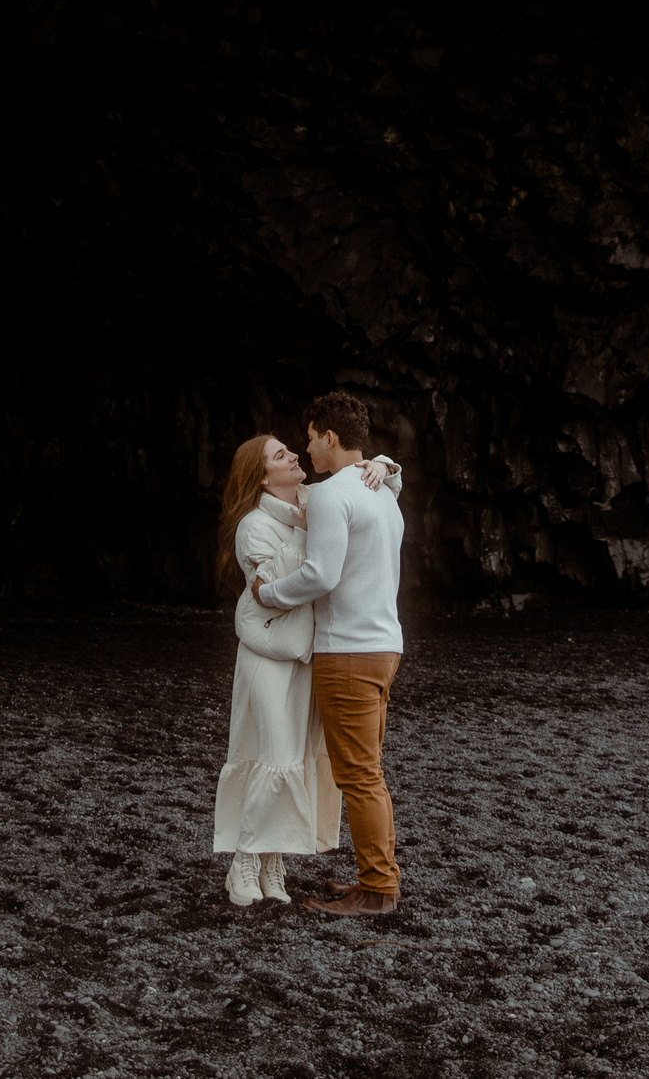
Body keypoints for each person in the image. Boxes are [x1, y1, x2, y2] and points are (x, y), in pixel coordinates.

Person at [212, 434, 399, 907]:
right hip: (268, 656)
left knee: (291, 760)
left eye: (292, 449)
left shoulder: (317, 499)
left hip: (306, 655)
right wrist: (305, 524)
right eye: (280, 456)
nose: (294, 455)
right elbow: (284, 581)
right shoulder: (254, 526)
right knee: (268, 753)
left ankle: (275, 862)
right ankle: (245, 861)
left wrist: (381, 465)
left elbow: (373, 497)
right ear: (261, 475)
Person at [252, 389, 406, 917]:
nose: (307, 450)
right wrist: (387, 466)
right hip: (385, 646)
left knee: (359, 775)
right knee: (368, 771)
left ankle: (378, 890)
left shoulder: (335, 494)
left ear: (331, 436)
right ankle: (376, 877)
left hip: (348, 653)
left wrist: (266, 594)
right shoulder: (382, 490)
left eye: (312, 438)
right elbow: (387, 477)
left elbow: (320, 574)